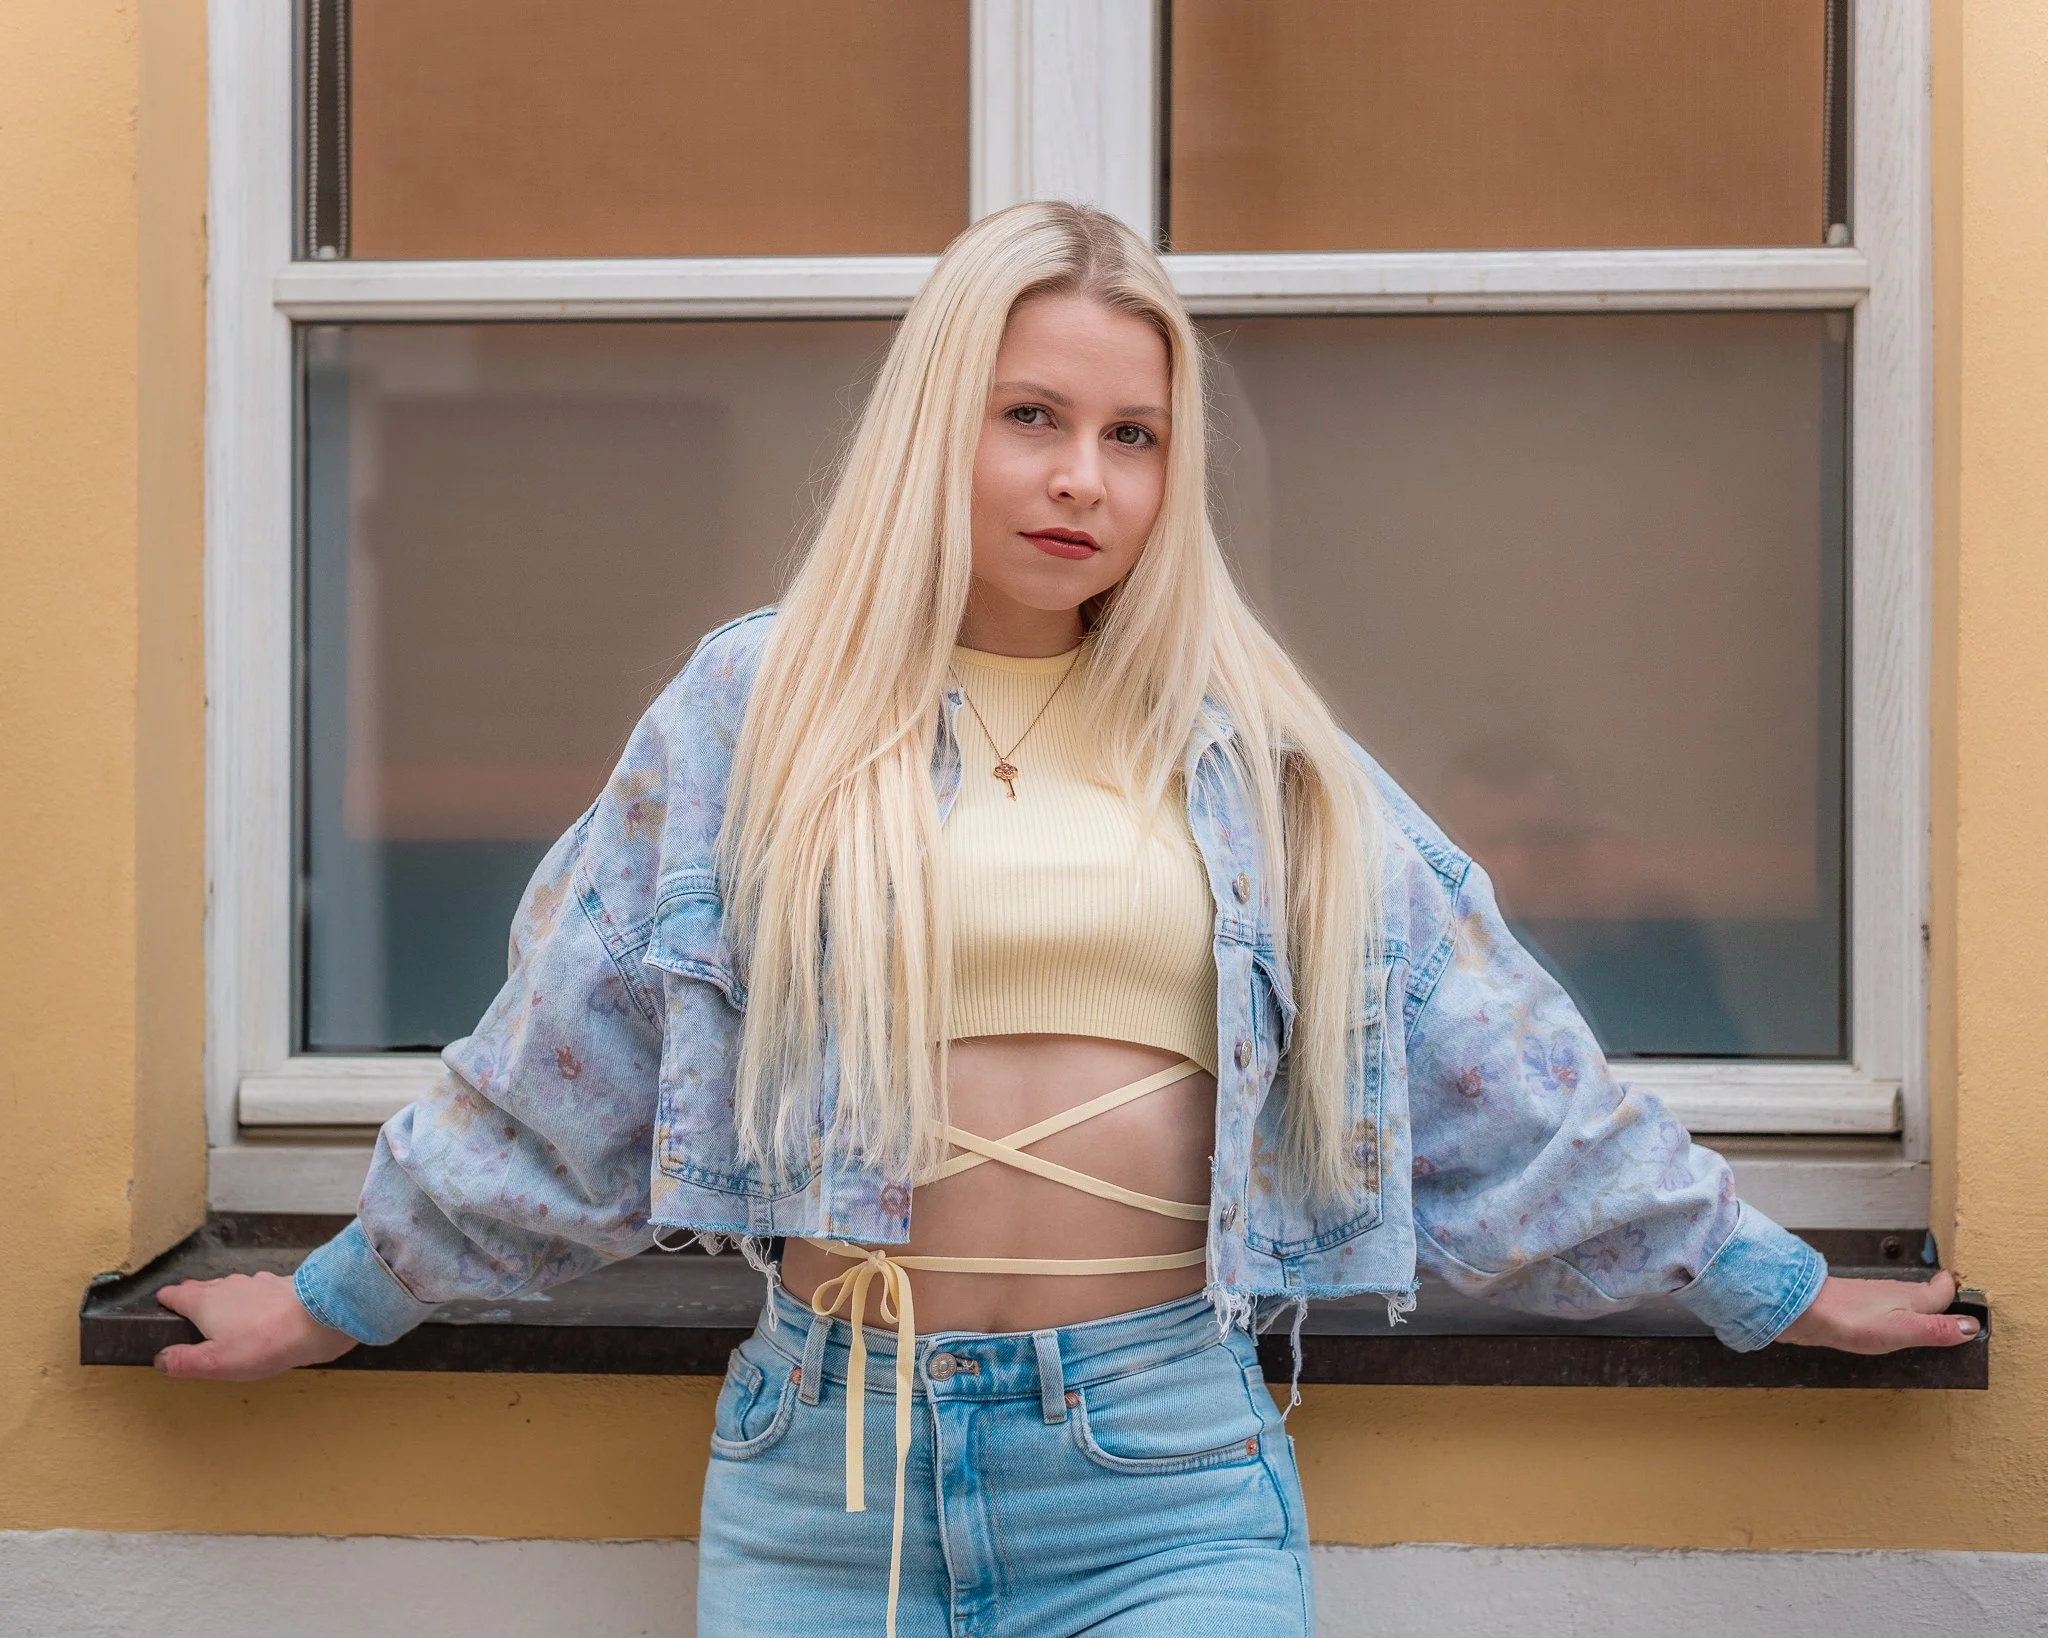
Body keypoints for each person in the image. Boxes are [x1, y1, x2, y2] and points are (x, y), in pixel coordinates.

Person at [154, 202, 1976, 1637]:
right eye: (1031, 417)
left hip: (1166, 1465)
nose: (1082, 477)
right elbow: (561, 1061)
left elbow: (1495, 1054)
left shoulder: (1254, 746)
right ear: (939, 418)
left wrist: (1781, 1287)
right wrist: (333, 1299)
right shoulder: (754, 707)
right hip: (825, 1473)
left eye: (1132, 433)